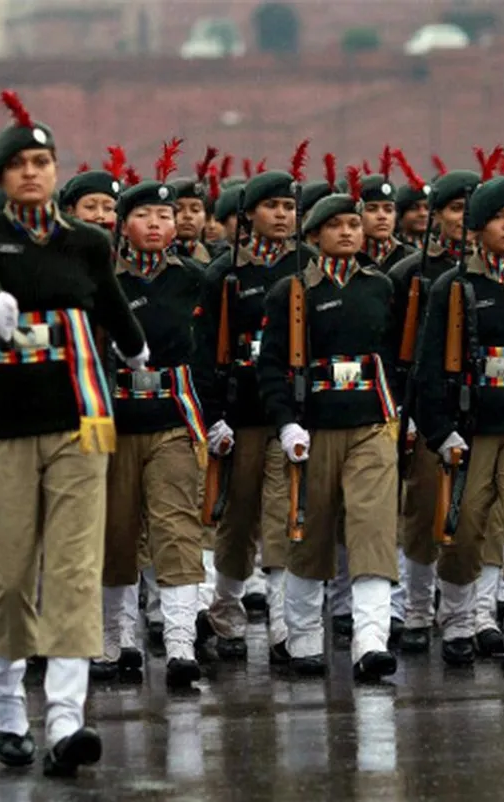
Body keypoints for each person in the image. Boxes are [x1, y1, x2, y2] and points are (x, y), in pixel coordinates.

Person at [0, 91, 145, 776]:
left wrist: (136, 349)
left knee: (72, 570)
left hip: (79, 421)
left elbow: (113, 307)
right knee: (8, 573)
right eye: (20, 163)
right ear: (0, 177)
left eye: (44, 161)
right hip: (7, 423)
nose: (33, 172)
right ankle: (7, 710)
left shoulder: (86, 241)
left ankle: (67, 719)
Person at [415, 175, 504, 671]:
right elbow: (429, 365)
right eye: (500, 217)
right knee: (465, 526)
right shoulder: (454, 285)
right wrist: (440, 430)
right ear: (476, 229)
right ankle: (456, 621)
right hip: (471, 425)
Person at [258, 182, 401, 682]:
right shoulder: (293, 291)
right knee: (309, 535)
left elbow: (397, 355)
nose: (348, 232)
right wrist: (286, 423)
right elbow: (271, 366)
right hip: (314, 425)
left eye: (354, 224)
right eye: (336, 226)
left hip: (370, 422)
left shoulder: (380, 286)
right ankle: (300, 640)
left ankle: (370, 641)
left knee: (373, 530)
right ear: (315, 235)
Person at [196, 158, 316, 664]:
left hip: (288, 411)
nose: (284, 215)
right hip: (241, 409)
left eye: (290, 206)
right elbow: (205, 348)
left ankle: (286, 631)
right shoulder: (225, 272)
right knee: (237, 520)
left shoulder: (307, 264)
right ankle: (225, 614)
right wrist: (212, 415)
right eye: (273, 206)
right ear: (248, 215)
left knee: (284, 517)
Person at [96, 168, 209, 690]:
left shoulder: (193, 279)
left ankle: (181, 642)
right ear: (122, 226)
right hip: (116, 422)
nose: (159, 224)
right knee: (115, 533)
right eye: (144, 215)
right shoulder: (105, 283)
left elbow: (209, 354)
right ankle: (117, 639)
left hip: (172, 418)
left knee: (176, 529)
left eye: (166, 215)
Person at [384, 168, 479, 654]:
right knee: (423, 513)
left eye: (472, 208)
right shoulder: (410, 274)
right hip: (426, 409)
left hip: (481, 409)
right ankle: (418, 606)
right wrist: (408, 411)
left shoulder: (492, 271)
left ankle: (465, 615)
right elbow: (396, 351)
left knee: (476, 517)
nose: (465, 219)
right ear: (435, 217)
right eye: (456, 209)